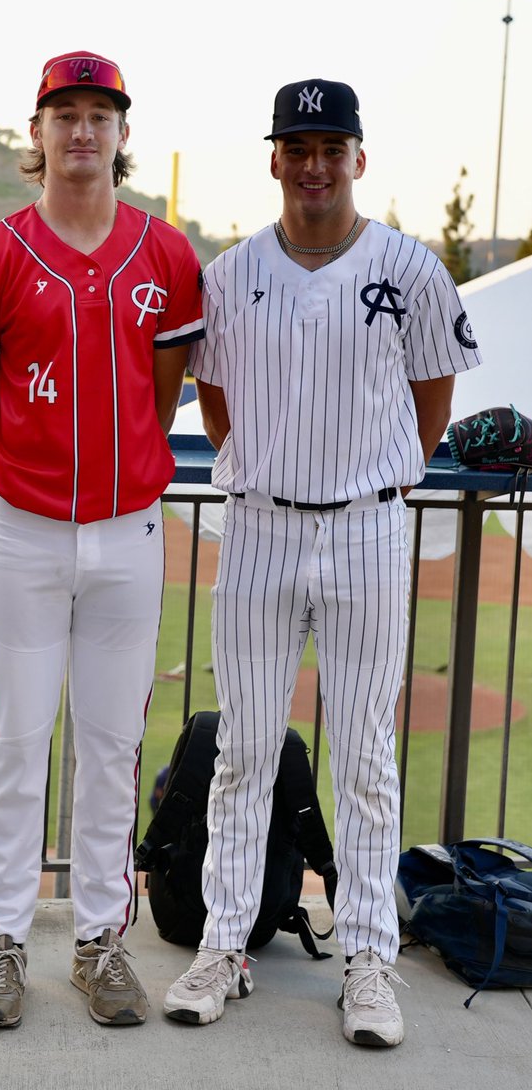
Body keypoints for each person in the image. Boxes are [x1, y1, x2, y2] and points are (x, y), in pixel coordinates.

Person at [163, 79, 482, 1046]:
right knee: (243, 753)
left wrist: (370, 477)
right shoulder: (227, 275)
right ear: (272, 158)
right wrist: (273, 468)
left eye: (329, 147)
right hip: (258, 526)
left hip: (367, 530)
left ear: (357, 158)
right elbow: (218, 408)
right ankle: (223, 944)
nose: (312, 165)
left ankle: (368, 962)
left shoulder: (412, 268)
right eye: (295, 147)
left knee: (365, 761)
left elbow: (430, 400)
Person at [0, 51, 204, 1028]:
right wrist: (18, 479)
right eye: (66, 114)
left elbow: (167, 390)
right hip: (25, 532)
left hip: (130, 532)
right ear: (39, 132)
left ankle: (101, 942)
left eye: (100, 114)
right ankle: (1, 944)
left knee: (112, 746)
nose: (83, 131)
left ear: (121, 133)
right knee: (15, 743)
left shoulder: (166, 252)